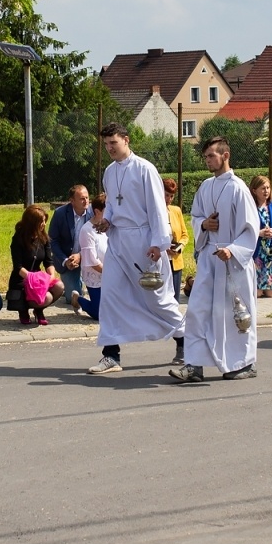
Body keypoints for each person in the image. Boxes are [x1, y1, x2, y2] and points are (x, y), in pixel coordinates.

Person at [89, 122, 185, 374]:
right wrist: (106, 220)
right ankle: (111, 355)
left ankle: (186, 341)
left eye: (114, 143)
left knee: (156, 299)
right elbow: (111, 204)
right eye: (106, 144)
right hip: (118, 241)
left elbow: (157, 207)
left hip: (144, 241)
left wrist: (159, 243)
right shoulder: (109, 172)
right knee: (109, 296)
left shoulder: (145, 169)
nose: (109, 148)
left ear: (126, 140)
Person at [173, 136, 260, 383]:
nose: (208, 160)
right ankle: (194, 365)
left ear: (226, 155)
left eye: (211, 155)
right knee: (197, 311)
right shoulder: (205, 186)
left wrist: (233, 249)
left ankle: (244, 363)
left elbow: (250, 228)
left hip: (233, 263)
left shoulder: (239, 188)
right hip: (210, 261)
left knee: (237, 315)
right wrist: (204, 224)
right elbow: (196, 217)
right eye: (206, 156)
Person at [9, 204, 63, 326]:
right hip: (22, 279)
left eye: (44, 221)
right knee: (47, 297)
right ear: (31, 223)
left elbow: (49, 262)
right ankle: (23, 310)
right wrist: (32, 279)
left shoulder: (44, 238)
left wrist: (51, 277)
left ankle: (39, 310)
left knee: (59, 286)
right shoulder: (18, 239)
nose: (44, 224)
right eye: (41, 222)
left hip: (38, 278)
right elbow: (18, 266)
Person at [49, 185, 91, 306]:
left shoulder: (93, 213)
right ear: (72, 201)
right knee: (73, 297)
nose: (86, 201)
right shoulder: (60, 214)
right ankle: (71, 285)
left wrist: (80, 255)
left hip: (89, 258)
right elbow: (53, 241)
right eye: (82, 198)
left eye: (87, 198)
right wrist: (65, 260)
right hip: (69, 261)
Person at [249, 175, 272, 298]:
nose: (266, 191)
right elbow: (242, 228)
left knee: (270, 294)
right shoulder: (250, 207)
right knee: (258, 293)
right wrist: (258, 233)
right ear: (254, 191)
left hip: (271, 253)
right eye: (263, 188)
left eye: (268, 188)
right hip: (257, 253)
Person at [74, 193, 108, 321]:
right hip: (96, 277)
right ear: (97, 211)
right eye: (107, 211)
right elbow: (93, 262)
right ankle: (78, 300)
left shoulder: (110, 226)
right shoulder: (87, 230)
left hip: (111, 274)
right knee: (99, 314)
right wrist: (110, 272)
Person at [164, 179, 190, 298]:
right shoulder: (151, 211)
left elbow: (185, 235)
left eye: (171, 196)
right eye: (166, 195)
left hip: (175, 260)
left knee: (174, 298)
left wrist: (179, 247)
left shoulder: (176, 210)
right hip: (161, 260)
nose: (168, 199)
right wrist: (163, 248)